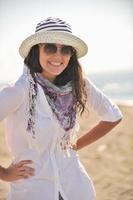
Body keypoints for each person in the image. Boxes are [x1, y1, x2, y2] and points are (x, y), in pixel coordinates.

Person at [0, 17, 122, 200]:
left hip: (75, 188)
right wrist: (4, 173)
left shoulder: (78, 84)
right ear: (36, 50)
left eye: (65, 49)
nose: (58, 55)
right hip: (33, 191)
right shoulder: (19, 90)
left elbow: (113, 116)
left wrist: (74, 146)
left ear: (71, 54)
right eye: (50, 47)